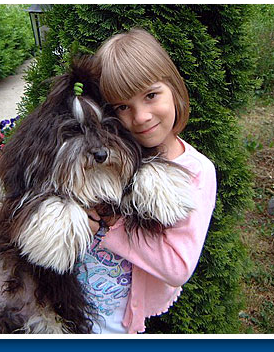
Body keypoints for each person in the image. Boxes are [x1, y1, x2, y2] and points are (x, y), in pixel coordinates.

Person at [76, 28, 217, 334]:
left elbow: (178, 266)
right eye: (122, 107)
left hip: (113, 313)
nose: (140, 117)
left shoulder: (196, 171)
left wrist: (106, 224)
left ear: (174, 89)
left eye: (151, 95)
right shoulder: (109, 151)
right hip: (64, 295)